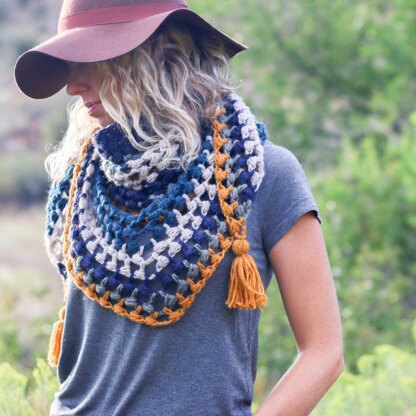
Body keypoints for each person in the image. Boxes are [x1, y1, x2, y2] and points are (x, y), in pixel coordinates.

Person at [14, 1, 344, 415]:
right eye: (69, 64)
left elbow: (324, 352)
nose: (73, 86)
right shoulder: (79, 178)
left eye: (90, 60)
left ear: (152, 55)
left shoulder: (263, 174)